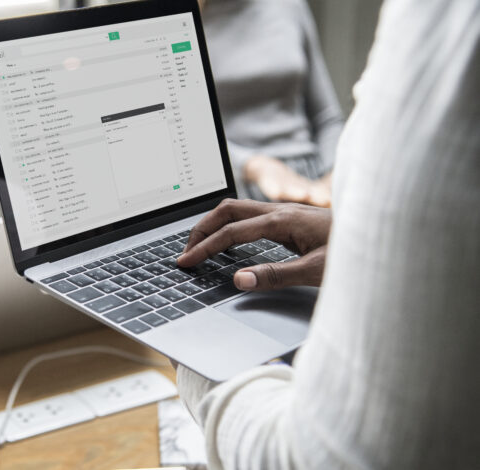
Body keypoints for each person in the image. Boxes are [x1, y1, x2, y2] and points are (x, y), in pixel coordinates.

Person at [175, 0, 479, 468]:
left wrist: (190, 352)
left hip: (321, 189)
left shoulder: (448, 28)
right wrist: (354, 234)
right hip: (259, 193)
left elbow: (324, 458)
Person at [201, 0, 343, 207]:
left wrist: (335, 175)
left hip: (312, 179)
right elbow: (189, 139)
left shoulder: (290, 6)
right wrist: (253, 166)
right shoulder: (181, 17)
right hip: (238, 187)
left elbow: (327, 117)